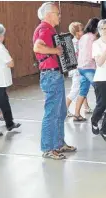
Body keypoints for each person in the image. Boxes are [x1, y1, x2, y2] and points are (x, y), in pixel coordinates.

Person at [33, 2, 76, 159]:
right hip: (50, 75)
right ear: (48, 14)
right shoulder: (44, 29)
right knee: (52, 112)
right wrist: (56, 51)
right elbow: (37, 48)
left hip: (54, 74)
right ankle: (48, 148)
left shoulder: (50, 30)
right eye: (57, 13)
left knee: (60, 111)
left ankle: (58, 144)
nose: (59, 16)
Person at [74, 17, 99, 121]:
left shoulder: (83, 37)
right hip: (89, 68)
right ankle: (100, 113)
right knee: (100, 88)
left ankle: (76, 114)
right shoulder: (93, 38)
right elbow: (93, 54)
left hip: (81, 67)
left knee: (83, 91)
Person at [65, 21, 85, 119]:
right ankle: (64, 109)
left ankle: (86, 107)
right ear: (77, 33)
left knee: (82, 88)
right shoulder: (75, 43)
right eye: (81, 30)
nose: (83, 32)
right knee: (75, 91)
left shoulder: (79, 41)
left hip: (81, 69)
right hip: (77, 70)